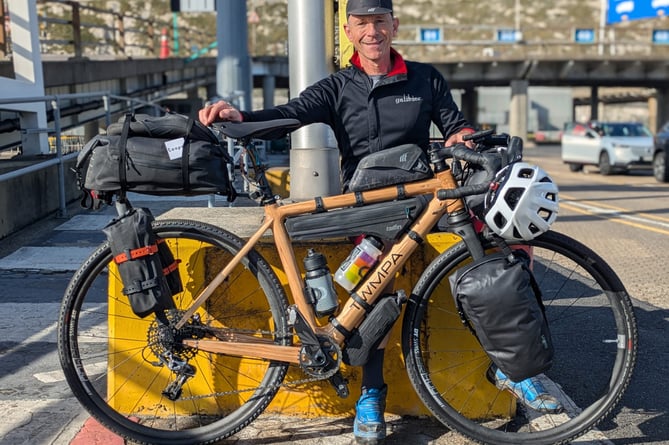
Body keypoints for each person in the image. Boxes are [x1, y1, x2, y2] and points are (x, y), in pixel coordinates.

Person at [199, 0, 561, 442]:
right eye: (362, 23)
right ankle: (371, 393)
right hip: (368, 207)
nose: (372, 31)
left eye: (380, 21)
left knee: (495, 254)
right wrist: (239, 116)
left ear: (394, 26)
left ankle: (512, 369)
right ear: (348, 32)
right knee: (373, 290)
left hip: (422, 199)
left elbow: (454, 126)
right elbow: (288, 116)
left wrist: (466, 140)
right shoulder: (337, 87)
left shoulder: (425, 78)